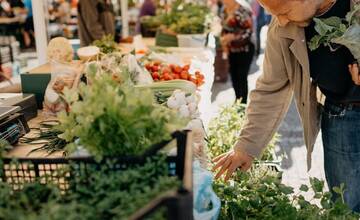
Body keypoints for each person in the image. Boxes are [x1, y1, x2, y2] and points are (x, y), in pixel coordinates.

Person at [213, 0, 360, 212]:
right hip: (341, 115)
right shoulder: (282, 27)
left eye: (284, 11)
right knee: (347, 205)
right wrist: (246, 147)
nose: (280, 20)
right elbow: (270, 89)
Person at [220, 0, 255, 103]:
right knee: (233, 75)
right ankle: (237, 100)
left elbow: (249, 32)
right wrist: (224, 41)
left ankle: (243, 103)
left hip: (245, 49)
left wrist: (234, 37)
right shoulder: (224, 10)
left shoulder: (242, 10)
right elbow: (224, 28)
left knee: (242, 76)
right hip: (231, 49)